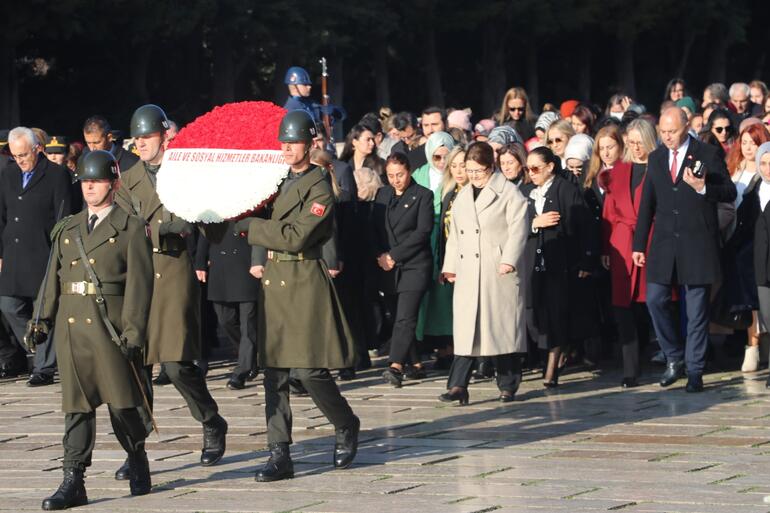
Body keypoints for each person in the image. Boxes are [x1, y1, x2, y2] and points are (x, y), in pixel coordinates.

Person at [232, 109, 359, 481]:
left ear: (310, 143)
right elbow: (266, 221)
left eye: (295, 142)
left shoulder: (320, 185)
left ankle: (345, 422)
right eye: (283, 142)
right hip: (275, 278)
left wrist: (251, 226)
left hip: (304, 277)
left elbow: (295, 236)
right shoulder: (275, 180)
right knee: (274, 371)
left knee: (309, 369)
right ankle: (279, 453)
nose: (287, 148)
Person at [29, 150, 154, 510]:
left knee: (123, 407)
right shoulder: (68, 229)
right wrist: (42, 318)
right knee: (76, 408)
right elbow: (54, 278)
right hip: (73, 330)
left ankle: (136, 454)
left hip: (110, 329)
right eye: (85, 182)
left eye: (97, 181)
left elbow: (140, 288)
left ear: (113, 184)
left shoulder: (131, 228)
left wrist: (133, 332)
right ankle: (73, 479)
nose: (90, 188)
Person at [114, 104, 228, 479]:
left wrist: (172, 226)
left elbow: (202, 218)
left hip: (174, 267)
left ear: (164, 136)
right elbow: (121, 222)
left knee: (177, 364)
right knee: (137, 364)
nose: (142, 144)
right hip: (140, 273)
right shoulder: (129, 177)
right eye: (137, 139)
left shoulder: (184, 171)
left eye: (147, 137)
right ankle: (137, 450)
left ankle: (210, 420)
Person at [632, 107, 737, 393]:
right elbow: (647, 206)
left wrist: (704, 187)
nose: (667, 137)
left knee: (696, 311)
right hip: (664, 243)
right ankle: (674, 357)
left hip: (698, 242)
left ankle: (695, 370)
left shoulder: (708, 154)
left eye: (673, 132)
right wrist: (638, 244)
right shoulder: (655, 159)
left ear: (686, 126)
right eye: (663, 132)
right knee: (655, 300)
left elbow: (729, 192)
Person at [440, 141, 528, 404]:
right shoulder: (463, 195)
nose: (474, 176)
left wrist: (509, 259)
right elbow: (455, 235)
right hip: (469, 271)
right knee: (467, 331)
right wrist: (450, 266)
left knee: (500, 330)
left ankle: (508, 384)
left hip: (496, 270)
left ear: (491, 167)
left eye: (479, 171)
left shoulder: (509, 193)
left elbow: (518, 229)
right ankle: (457, 385)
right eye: (470, 170)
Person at [0, 127, 74, 387]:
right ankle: (37, 345)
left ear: (36, 149)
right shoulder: (8, 174)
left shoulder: (56, 175)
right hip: (14, 253)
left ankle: (43, 367)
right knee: (8, 304)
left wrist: (60, 253)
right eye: (15, 155)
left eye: (24, 154)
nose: (20, 160)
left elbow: (64, 216)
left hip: (42, 251)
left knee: (44, 310)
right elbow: (2, 214)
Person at [523, 146, 595, 387]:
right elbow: (513, 224)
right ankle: (556, 351)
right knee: (534, 314)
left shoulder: (565, 190)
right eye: (528, 168)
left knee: (556, 312)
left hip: (561, 262)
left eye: (536, 168)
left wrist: (587, 259)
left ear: (550, 167)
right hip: (532, 261)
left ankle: (552, 367)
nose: (531, 173)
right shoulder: (525, 192)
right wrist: (534, 223)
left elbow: (584, 226)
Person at [602, 118, 659, 387]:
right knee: (623, 305)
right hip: (622, 243)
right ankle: (630, 368)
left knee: (654, 302)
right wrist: (605, 247)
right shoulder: (618, 171)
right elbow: (609, 214)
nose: (636, 148)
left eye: (640, 142)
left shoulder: (660, 167)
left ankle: (669, 355)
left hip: (652, 240)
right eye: (632, 142)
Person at [372, 152, 433, 387]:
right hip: (386, 265)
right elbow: (374, 226)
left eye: (400, 174)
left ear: (409, 172)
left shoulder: (422, 196)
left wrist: (394, 255)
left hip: (413, 265)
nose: (396, 180)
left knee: (406, 317)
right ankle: (416, 363)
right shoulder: (383, 194)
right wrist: (380, 255)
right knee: (397, 315)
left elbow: (422, 232)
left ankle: (395, 365)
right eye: (390, 175)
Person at [722, 124, 770, 372]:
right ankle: (751, 344)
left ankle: (758, 344)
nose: (748, 147)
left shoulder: (764, 174)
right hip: (737, 239)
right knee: (749, 298)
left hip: (758, 239)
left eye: (753, 141)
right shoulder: (734, 170)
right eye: (744, 141)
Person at [412, 132, 457, 375]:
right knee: (424, 297)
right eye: (436, 156)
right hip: (423, 242)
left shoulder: (456, 176)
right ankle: (428, 346)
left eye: (445, 156)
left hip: (447, 240)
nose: (441, 161)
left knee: (445, 297)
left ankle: (448, 348)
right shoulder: (418, 176)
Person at [195, 224, 260, 389]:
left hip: (247, 262)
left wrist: (259, 260)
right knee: (225, 319)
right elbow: (205, 232)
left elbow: (260, 229)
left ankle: (242, 371)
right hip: (220, 264)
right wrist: (200, 262)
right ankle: (250, 356)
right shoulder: (216, 205)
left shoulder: (252, 201)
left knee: (248, 323)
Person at [752, 142, 770, 387]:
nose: (767, 169)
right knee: (768, 317)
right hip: (761, 265)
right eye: (764, 163)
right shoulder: (754, 191)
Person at [282, 65, 345, 130]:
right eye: (305, 84)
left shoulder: (311, 104)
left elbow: (342, 115)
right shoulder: (289, 111)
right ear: (294, 86)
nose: (309, 87)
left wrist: (334, 111)